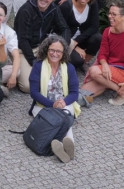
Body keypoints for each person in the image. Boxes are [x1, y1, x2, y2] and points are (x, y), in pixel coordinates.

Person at [80, 0, 124, 107]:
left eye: (114, 14)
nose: (110, 16)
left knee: (94, 71)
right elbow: (102, 54)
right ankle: (109, 85)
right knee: (83, 93)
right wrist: (104, 65)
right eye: (109, 13)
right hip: (109, 70)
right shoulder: (107, 31)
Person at [29, 35, 78, 163]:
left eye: (58, 51)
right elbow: (34, 92)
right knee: (49, 122)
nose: (54, 54)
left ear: (63, 53)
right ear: (46, 49)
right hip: (42, 105)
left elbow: (74, 93)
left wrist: (63, 102)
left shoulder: (69, 68)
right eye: (52, 50)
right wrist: (52, 104)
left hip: (63, 104)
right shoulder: (38, 67)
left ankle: (67, 145)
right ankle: (63, 146)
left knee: (64, 118)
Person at [15, 0, 69, 93]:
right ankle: (19, 69)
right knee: (27, 87)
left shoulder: (54, 8)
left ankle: (55, 69)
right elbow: (23, 40)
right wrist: (33, 61)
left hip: (42, 46)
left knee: (70, 42)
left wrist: (62, 47)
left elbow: (65, 29)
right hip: (24, 50)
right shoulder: (26, 10)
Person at [60, 0, 101, 70]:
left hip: (80, 39)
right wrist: (74, 45)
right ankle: (77, 59)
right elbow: (60, 29)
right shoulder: (66, 6)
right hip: (66, 40)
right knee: (77, 61)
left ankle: (85, 62)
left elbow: (95, 26)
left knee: (97, 37)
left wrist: (76, 41)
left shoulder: (92, 5)